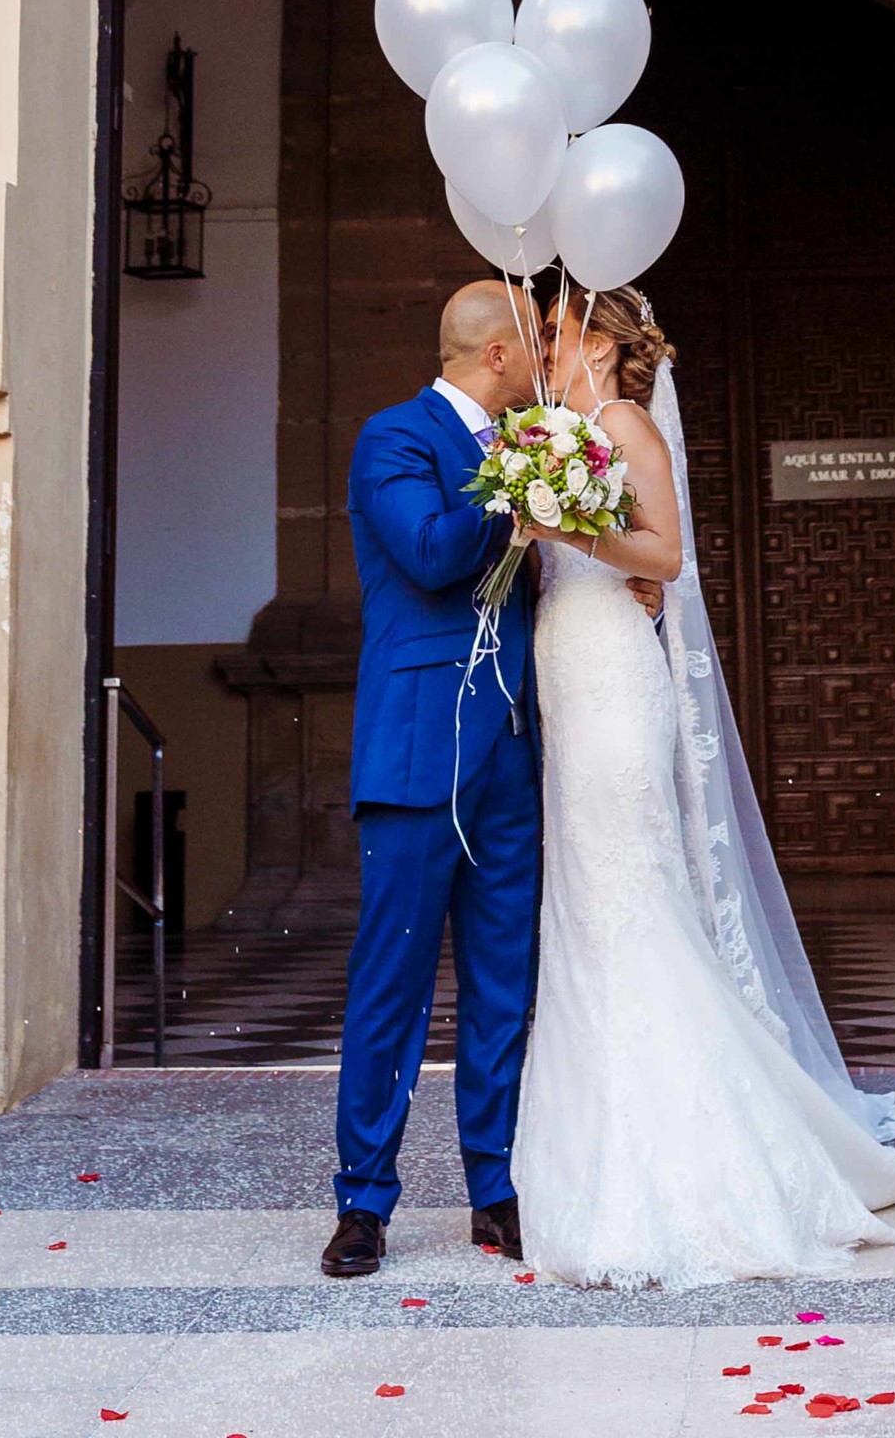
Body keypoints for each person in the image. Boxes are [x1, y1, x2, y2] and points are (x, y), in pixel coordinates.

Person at [511, 285, 895, 1287]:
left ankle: (695, 1160)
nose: (538, 347)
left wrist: (560, 525)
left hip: (612, 679)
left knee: (630, 898)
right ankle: (598, 1156)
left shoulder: (623, 424)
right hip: (569, 668)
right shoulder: (559, 433)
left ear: (598, 343)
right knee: (586, 904)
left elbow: (666, 554)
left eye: (552, 332)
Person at [322, 280, 661, 1277]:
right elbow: (431, 554)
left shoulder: (532, 446)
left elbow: (562, 562)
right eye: (534, 343)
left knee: (504, 984)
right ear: (499, 356)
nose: (547, 360)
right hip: (417, 751)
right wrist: (524, 481)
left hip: (513, 751)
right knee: (390, 981)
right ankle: (363, 1200)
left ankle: (497, 1189)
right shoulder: (393, 436)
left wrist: (616, 568)